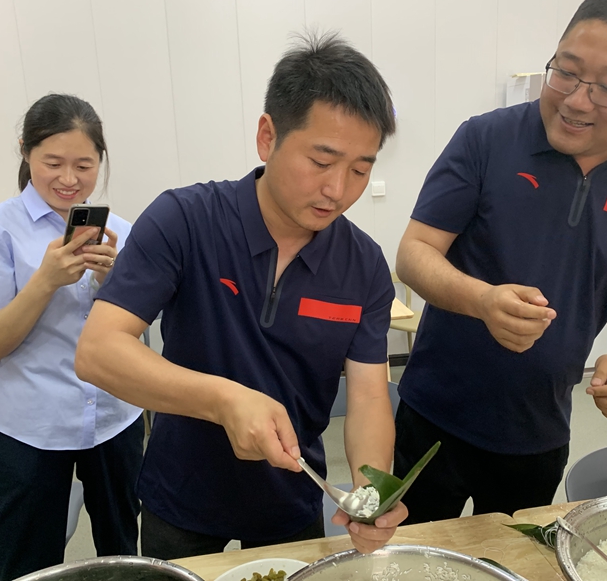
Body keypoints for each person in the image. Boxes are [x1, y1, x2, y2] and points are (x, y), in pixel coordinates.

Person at [75, 33, 406, 558]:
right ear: (267, 137)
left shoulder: (362, 265)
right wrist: (225, 399)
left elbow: (367, 395)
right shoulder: (185, 221)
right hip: (181, 495)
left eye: (361, 170)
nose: (338, 190)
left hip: (291, 498)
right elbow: (98, 351)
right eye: (322, 162)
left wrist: (373, 492)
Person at [393, 0, 607, 522]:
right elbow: (415, 252)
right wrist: (482, 300)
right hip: (433, 416)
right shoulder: (486, 140)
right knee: (413, 551)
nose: (576, 100)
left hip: (539, 431)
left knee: (514, 557)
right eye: (566, 71)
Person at [0, 94, 144, 581]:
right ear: (26, 152)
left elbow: (135, 333)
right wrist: (44, 281)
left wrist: (114, 285)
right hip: (30, 426)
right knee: (27, 564)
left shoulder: (119, 232)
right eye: (53, 163)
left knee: (122, 555)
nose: (69, 179)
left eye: (84, 165)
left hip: (113, 419)